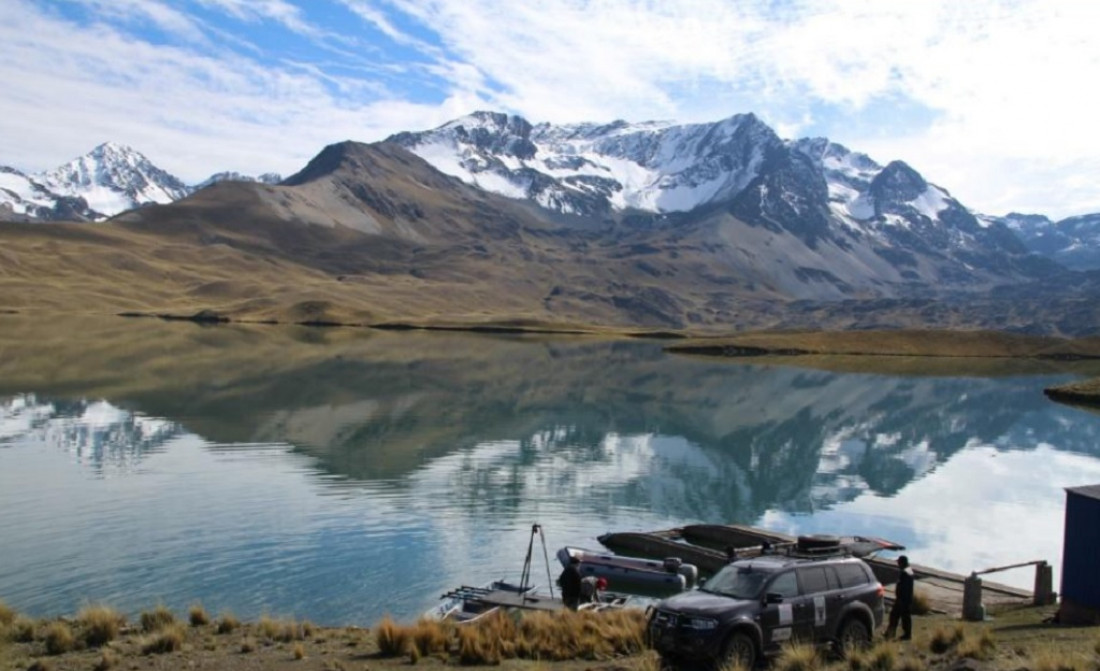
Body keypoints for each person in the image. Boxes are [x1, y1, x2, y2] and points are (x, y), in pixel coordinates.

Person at [885, 555, 914, 640]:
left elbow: (904, 587)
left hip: (903, 599)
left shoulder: (905, 572)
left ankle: (903, 634)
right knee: (899, 616)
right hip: (905, 599)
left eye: (899, 562)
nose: (898, 564)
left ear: (902, 562)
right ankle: (892, 633)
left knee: (899, 616)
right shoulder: (908, 571)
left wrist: (900, 598)